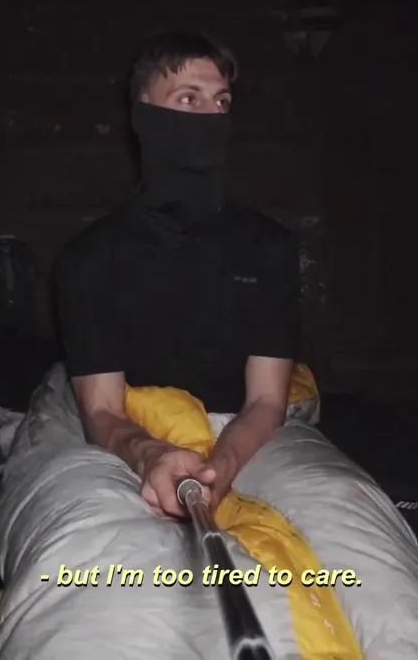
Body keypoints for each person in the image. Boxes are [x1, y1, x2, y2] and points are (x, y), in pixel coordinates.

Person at [54, 30, 301, 520]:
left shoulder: (268, 248)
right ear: (143, 114)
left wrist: (218, 471)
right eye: (189, 99)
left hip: (244, 440)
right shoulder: (90, 258)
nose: (211, 116)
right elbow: (102, 411)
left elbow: (266, 401)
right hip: (133, 439)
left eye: (221, 102)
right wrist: (153, 456)